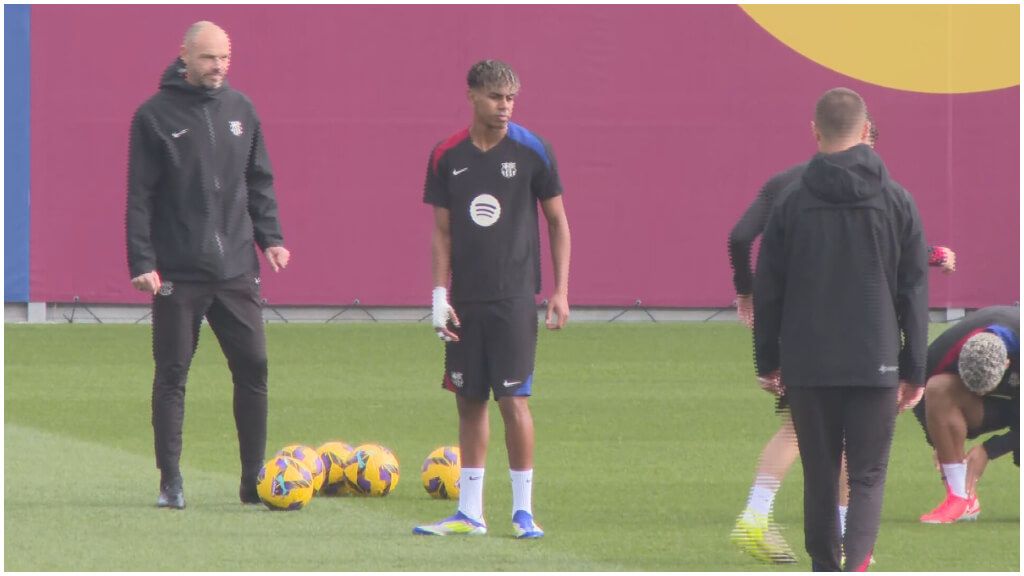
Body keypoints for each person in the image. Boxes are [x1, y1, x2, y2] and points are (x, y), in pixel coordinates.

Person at [728, 119, 956, 564]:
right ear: (866, 135)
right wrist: (915, 365)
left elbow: (740, 237)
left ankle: (801, 532)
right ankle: (846, 545)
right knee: (855, 451)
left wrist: (747, 292)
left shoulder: (789, 186)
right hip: (868, 341)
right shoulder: (885, 191)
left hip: (805, 336)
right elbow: (887, 254)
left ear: (819, 132)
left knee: (808, 437)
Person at [126, 21, 290, 510]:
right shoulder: (153, 116)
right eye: (208, 58)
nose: (218, 67)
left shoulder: (242, 109)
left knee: (254, 366)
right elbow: (140, 196)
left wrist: (272, 239)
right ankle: (170, 480)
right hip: (178, 272)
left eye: (224, 58)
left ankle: (252, 479)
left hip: (236, 268)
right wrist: (143, 261)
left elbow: (258, 180)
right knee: (173, 373)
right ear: (184, 56)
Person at [413, 60, 571, 538]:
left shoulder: (532, 150)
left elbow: (558, 223)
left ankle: (523, 511)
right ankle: (469, 512)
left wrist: (560, 291)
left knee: (514, 400)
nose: (504, 107)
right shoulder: (446, 155)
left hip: (515, 299)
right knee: (468, 399)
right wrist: (440, 294)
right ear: (472, 97)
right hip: (466, 300)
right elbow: (442, 233)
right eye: (496, 97)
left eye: (511, 99)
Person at [913, 305, 1019, 523]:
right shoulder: (941, 353)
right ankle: (960, 497)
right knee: (938, 388)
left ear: (1007, 363)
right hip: (994, 407)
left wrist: (989, 450)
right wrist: (938, 442)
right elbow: (918, 397)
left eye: (985, 388)